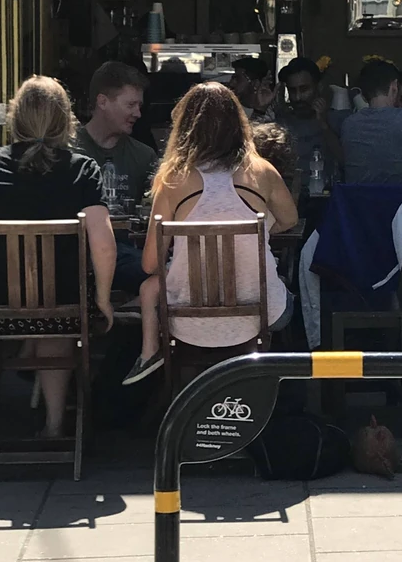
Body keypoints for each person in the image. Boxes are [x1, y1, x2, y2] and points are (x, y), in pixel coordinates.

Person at [0, 76, 116, 439]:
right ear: (66, 120)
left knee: (39, 307)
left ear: (15, 118)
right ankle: (54, 424)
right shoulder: (82, 169)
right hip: (65, 308)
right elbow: (104, 245)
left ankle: (16, 376)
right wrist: (102, 300)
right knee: (55, 311)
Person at [125, 83, 298, 384]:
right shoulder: (262, 171)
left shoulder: (172, 179)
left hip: (188, 322)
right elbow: (290, 219)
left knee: (151, 286)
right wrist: (255, 232)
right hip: (257, 316)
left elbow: (151, 264)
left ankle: (152, 358)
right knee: (285, 289)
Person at [73, 61, 156, 295]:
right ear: (102, 102)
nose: (137, 113)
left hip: (128, 255)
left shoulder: (144, 155)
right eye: (130, 104)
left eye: (139, 105)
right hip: (76, 253)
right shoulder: (67, 152)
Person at [278, 57, 343, 189]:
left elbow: (344, 161)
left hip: (327, 195)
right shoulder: (281, 123)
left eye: (304, 89)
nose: (298, 97)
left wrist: (323, 124)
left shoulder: (336, 119)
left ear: (318, 87)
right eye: (292, 91)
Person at [230, 56, 276, 122]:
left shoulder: (271, 114)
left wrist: (260, 111)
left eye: (237, 79)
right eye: (232, 78)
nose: (231, 83)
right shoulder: (230, 109)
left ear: (255, 84)